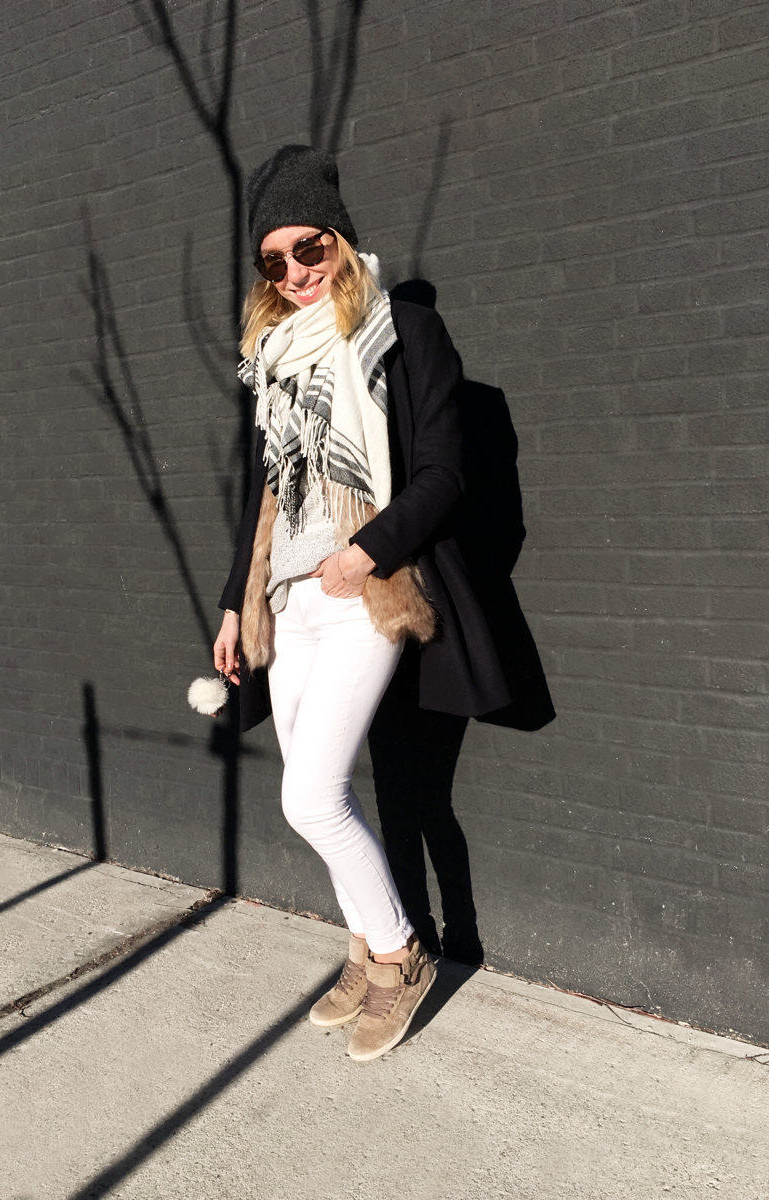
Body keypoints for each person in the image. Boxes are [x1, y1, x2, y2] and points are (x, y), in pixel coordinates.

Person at [213, 145, 554, 1063]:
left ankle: (402, 957)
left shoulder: (402, 330)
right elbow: (266, 498)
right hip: (285, 601)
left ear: (341, 237)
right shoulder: (272, 358)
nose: (295, 274)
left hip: (368, 595)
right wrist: (232, 607)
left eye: (309, 249)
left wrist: (367, 552)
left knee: (313, 794)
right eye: (274, 261)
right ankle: (366, 949)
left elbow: (446, 473)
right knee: (314, 797)